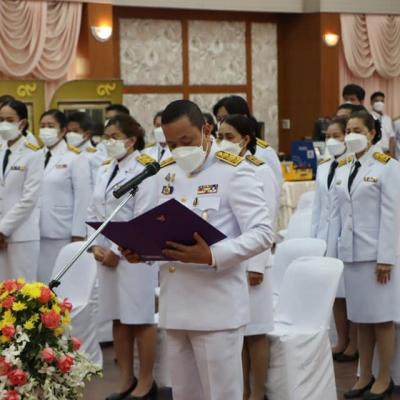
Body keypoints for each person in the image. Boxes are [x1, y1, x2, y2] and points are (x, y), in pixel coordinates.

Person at [122, 99, 273, 400]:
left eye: (186, 141)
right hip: (176, 305)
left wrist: (213, 255)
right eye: (172, 144)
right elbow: (162, 229)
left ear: (206, 130)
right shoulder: (166, 172)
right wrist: (143, 251)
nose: (179, 150)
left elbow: (262, 233)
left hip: (216, 307)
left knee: (221, 394)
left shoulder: (234, 171)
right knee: (184, 394)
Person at [329, 111, 400, 399]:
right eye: (348, 130)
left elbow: (392, 215)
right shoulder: (344, 166)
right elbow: (337, 214)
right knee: (361, 319)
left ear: (372, 134)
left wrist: (386, 258)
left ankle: (385, 377)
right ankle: (365, 375)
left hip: (376, 257)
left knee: (381, 319)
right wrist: (333, 254)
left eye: (357, 130)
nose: (351, 135)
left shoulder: (388, 167)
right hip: (351, 254)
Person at [88, 114, 158, 400]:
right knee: (117, 318)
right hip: (105, 256)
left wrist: (117, 251)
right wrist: (95, 245)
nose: (109, 142)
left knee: (139, 319)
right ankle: (126, 379)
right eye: (106, 137)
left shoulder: (145, 168)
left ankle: (147, 382)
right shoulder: (106, 168)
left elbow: (144, 216)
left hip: (135, 255)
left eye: (115, 137)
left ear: (132, 140)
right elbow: (93, 210)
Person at [218, 114, 277, 400]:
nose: (223, 142)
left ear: (246, 139)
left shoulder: (259, 169)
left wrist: (256, 266)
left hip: (255, 265)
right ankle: (241, 391)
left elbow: (267, 220)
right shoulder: (224, 169)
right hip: (231, 261)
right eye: (220, 137)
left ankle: (258, 392)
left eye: (229, 137)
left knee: (255, 333)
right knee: (237, 334)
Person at [311, 117, 359, 362]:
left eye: (337, 136)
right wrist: (314, 240)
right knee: (335, 292)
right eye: (328, 136)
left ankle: (356, 342)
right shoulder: (324, 165)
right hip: (325, 237)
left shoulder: (354, 165)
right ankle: (342, 338)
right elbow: (318, 207)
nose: (331, 140)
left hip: (347, 236)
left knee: (352, 292)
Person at [38, 109, 91, 283]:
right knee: (38, 281)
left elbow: (83, 197)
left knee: (58, 280)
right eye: (42, 126)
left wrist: (78, 232)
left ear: (62, 130)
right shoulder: (36, 155)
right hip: (35, 229)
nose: (46, 130)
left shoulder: (74, 157)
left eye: (50, 126)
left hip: (61, 229)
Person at [0, 100, 43, 281]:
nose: (4, 124)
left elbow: (29, 198)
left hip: (21, 234)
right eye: (1, 119)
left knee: (21, 289)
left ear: (22, 123)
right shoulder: (2, 149)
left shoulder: (33, 153)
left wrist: (3, 229)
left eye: (9, 120)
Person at [213, 95, 283, 187]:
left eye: (226, 118)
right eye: (219, 119)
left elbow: (274, 185)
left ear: (243, 118)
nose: (222, 123)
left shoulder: (262, 152)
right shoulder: (217, 148)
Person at [66, 111, 102, 187]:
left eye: (75, 131)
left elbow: (97, 185)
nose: (70, 134)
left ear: (87, 134)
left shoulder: (95, 156)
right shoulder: (65, 153)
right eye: (68, 131)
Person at [370, 92, 396, 158]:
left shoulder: (387, 119)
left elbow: (391, 138)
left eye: (382, 101)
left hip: (386, 153)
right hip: (372, 153)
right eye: (377, 101)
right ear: (371, 102)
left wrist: (392, 155)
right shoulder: (368, 117)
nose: (380, 103)